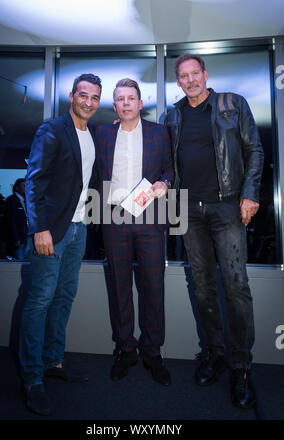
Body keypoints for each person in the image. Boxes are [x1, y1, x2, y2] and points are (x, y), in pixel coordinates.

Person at [165, 54, 264, 409]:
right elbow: (167, 162)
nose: (190, 80)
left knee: (236, 286)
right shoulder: (173, 115)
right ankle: (215, 352)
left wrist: (250, 193)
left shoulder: (232, 104)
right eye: (183, 76)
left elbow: (254, 150)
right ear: (177, 81)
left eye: (195, 74)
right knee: (203, 287)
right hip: (189, 210)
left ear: (205, 75)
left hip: (228, 206)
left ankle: (241, 366)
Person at [19, 73, 102, 416]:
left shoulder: (91, 135)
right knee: (39, 300)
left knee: (64, 297)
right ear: (72, 96)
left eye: (95, 97)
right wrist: (39, 229)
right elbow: (34, 180)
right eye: (83, 95)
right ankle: (32, 379)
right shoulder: (52, 129)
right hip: (52, 232)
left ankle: (53, 362)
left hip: (79, 229)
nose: (88, 102)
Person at [95, 78, 174, 386]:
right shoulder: (102, 134)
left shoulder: (159, 132)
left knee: (154, 288)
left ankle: (152, 352)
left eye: (131, 98)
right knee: (119, 288)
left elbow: (170, 167)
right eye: (120, 99)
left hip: (150, 217)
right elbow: (92, 173)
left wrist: (165, 183)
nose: (126, 103)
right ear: (114, 106)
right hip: (114, 218)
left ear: (140, 104)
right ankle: (126, 349)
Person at [4, 178, 27, 259]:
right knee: (19, 261)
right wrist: (16, 238)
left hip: (26, 237)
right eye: (24, 186)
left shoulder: (26, 200)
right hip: (17, 238)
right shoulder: (11, 200)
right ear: (17, 188)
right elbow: (11, 221)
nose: (26, 188)